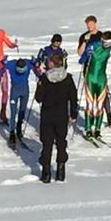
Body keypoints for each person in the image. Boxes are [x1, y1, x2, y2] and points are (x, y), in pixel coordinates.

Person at [34, 54, 78, 184]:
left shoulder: (44, 78)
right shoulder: (68, 78)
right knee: (61, 142)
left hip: (47, 114)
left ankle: (46, 173)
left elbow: (38, 98)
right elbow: (73, 97)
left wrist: (40, 87)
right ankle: (60, 171)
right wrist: (74, 113)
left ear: (52, 63)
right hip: (61, 114)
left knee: (47, 144)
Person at [78, 31, 111, 141]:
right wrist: (87, 54)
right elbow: (81, 61)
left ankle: (97, 130)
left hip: (101, 80)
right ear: (101, 40)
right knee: (90, 105)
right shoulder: (92, 45)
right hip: (90, 78)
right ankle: (88, 129)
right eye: (106, 43)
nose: (107, 45)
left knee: (100, 106)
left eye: (110, 43)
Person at [76, 16, 111, 128]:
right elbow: (80, 53)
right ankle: (90, 123)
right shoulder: (84, 36)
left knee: (105, 95)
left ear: (95, 23)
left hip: (101, 70)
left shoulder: (101, 35)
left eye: (91, 24)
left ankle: (109, 118)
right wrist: (85, 42)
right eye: (87, 24)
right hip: (88, 69)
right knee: (90, 98)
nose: (89, 26)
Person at [4, 57, 34, 148]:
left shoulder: (28, 64)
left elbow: (36, 63)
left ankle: (19, 127)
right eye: (19, 69)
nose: (20, 71)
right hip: (15, 91)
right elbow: (3, 63)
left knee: (22, 110)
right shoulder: (11, 64)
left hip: (25, 91)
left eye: (22, 69)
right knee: (13, 112)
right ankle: (12, 132)